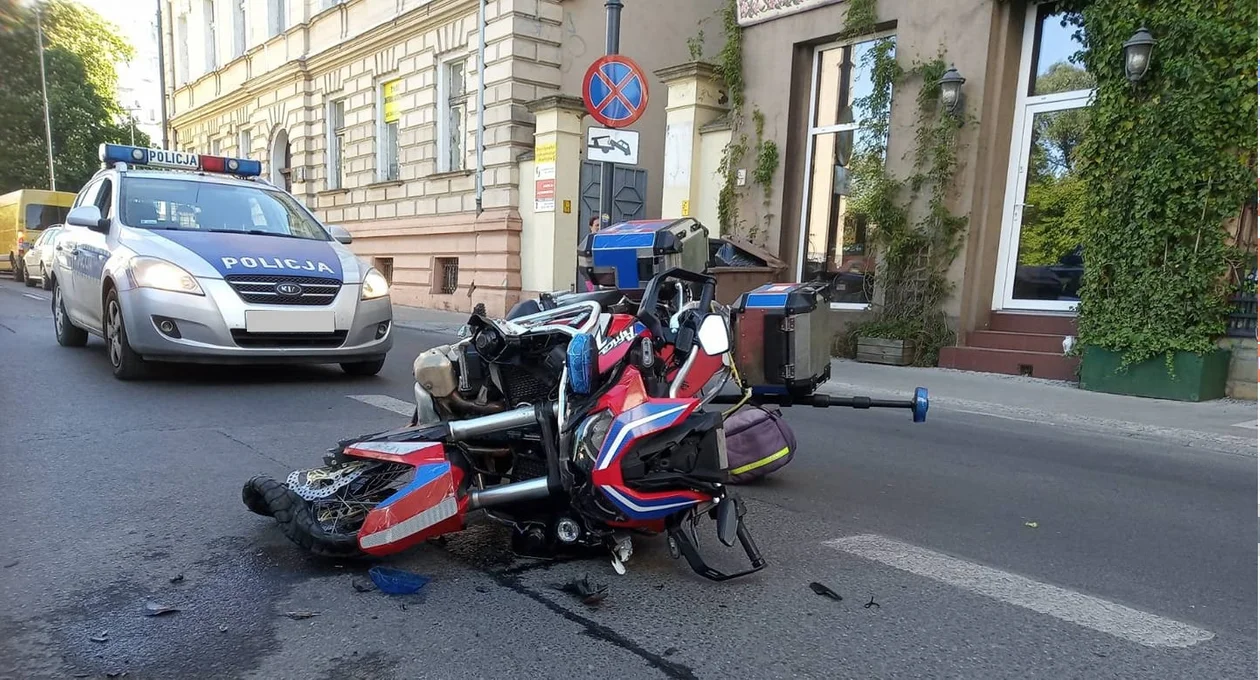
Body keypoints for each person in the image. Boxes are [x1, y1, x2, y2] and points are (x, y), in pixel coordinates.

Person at [583, 216, 601, 291]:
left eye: (600, 225)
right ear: (591, 227)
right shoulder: (588, 241)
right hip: (591, 277)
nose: (599, 227)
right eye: (597, 225)